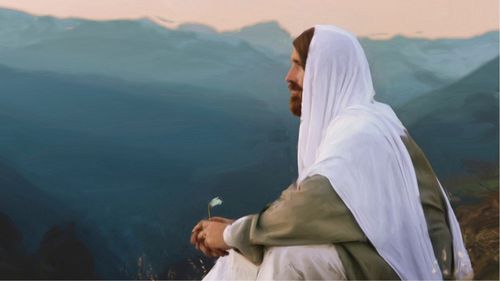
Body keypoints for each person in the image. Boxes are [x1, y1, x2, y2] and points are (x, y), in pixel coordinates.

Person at [190, 25, 474, 280]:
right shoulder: (363, 122)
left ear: (328, 73)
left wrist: (232, 233)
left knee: (292, 257)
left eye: (299, 66)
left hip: (401, 269)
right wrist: (243, 234)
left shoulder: (361, 131)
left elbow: (310, 207)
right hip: (383, 257)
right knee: (246, 255)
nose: (289, 77)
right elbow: (316, 210)